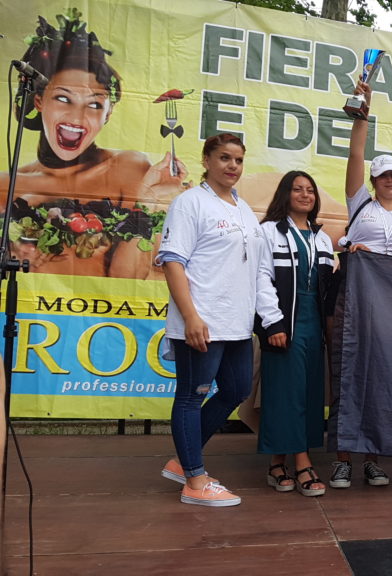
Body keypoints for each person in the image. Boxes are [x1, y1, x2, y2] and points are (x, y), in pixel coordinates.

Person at [1, 10, 185, 278]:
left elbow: (127, 278)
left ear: (107, 114)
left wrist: (146, 200)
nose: (77, 116)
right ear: (39, 101)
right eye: (63, 98)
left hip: (100, 305)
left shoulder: (126, 167)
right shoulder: (8, 183)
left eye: (94, 104)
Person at [156, 133, 266, 507]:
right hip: (201, 320)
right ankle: (195, 480)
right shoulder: (190, 203)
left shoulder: (243, 209)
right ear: (206, 160)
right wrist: (190, 316)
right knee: (192, 395)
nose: (232, 165)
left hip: (236, 324)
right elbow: (173, 262)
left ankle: (183, 460)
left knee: (236, 390)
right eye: (224, 157)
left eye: (238, 159)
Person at [327, 81, 392, 490]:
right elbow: (356, 154)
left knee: (382, 380)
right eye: (382, 175)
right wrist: (364, 115)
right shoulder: (361, 205)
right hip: (353, 301)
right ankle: (342, 460)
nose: (389, 180)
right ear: (373, 181)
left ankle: (373, 459)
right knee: (346, 375)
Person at [255, 171, 338, 497]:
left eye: (310, 190)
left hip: (313, 326)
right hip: (285, 324)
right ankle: (303, 462)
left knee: (306, 394)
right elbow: (261, 278)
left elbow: (328, 286)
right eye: (297, 189)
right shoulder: (269, 231)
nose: (305, 195)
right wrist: (273, 323)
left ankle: (277, 464)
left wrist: (353, 255)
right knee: (286, 394)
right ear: (285, 194)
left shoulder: (321, 238)